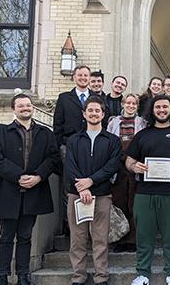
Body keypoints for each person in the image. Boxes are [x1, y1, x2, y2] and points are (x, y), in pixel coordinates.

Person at [0, 94, 61, 285]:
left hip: (34, 192)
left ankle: (23, 275)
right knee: (6, 236)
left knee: (26, 236)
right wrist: (18, 176)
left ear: (32, 108)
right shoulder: (1, 133)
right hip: (7, 191)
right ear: (14, 109)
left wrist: (38, 176)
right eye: (21, 106)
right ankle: (2, 275)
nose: (25, 108)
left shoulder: (45, 133)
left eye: (28, 105)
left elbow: (52, 158)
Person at [125, 95, 170, 285]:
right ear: (152, 110)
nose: (162, 110)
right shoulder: (142, 135)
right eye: (158, 107)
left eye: (165, 107)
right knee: (144, 236)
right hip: (144, 193)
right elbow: (129, 160)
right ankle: (142, 274)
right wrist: (135, 167)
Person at [64, 96, 121, 285]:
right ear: (84, 114)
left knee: (100, 238)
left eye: (97, 111)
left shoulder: (112, 140)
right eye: (90, 110)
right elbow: (70, 165)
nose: (94, 113)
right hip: (76, 195)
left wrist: (90, 181)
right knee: (78, 238)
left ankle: (101, 277)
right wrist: (82, 188)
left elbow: (111, 166)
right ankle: (78, 276)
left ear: (103, 115)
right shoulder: (73, 140)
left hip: (102, 195)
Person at [53, 64, 96, 234]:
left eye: (86, 76)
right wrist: (59, 147)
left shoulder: (95, 97)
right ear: (74, 77)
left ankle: (90, 224)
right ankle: (68, 225)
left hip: (91, 145)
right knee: (69, 184)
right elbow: (57, 125)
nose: (83, 78)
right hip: (68, 146)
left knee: (90, 181)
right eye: (80, 75)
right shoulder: (64, 98)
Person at [107, 93, 147, 253]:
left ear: (137, 106)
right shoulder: (113, 122)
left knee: (134, 203)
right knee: (119, 202)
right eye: (128, 103)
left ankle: (133, 239)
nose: (130, 106)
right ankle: (120, 239)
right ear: (123, 104)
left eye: (134, 104)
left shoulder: (142, 123)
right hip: (118, 168)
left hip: (135, 166)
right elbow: (109, 143)